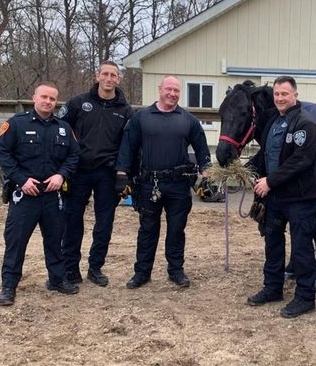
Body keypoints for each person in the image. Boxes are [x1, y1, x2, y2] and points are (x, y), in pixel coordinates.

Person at [115, 75, 211, 290]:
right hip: (149, 184)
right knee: (147, 229)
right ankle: (142, 273)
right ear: (160, 89)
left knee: (177, 229)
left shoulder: (189, 120)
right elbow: (127, 147)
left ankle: (176, 271)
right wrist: (121, 175)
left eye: (176, 90)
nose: (172, 94)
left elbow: (202, 150)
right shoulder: (142, 118)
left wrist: (207, 170)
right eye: (168, 89)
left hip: (179, 184)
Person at [0, 82, 80, 306]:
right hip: (25, 195)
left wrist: (61, 175)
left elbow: (74, 156)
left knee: (55, 240)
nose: (48, 102)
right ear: (34, 97)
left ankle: (57, 279)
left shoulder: (63, 128)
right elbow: (3, 153)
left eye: (52, 99)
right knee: (16, 242)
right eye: (44, 97)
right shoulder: (16, 124)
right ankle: (9, 286)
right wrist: (21, 180)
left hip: (52, 196)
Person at [245, 76, 316, 318]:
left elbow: (301, 161)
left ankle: (305, 297)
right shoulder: (274, 122)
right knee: (273, 242)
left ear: (295, 95)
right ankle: (272, 287)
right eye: (277, 94)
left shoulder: (305, 123)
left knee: (301, 248)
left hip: (300, 199)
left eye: (285, 94)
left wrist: (270, 181)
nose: (280, 98)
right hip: (275, 198)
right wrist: (247, 170)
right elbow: (267, 154)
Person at [58, 61, 133, 287]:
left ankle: (95, 267)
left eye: (114, 75)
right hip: (78, 171)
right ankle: (71, 268)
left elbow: (129, 145)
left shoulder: (126, 110)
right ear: (97, 76)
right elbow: (60, 129)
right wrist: (65, 164)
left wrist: (123, 174)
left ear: (118, 79)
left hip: (106, 173)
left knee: (104, 223)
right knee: (72, 220)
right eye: (105, 74)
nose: (109, 79)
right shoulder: (78, 103)